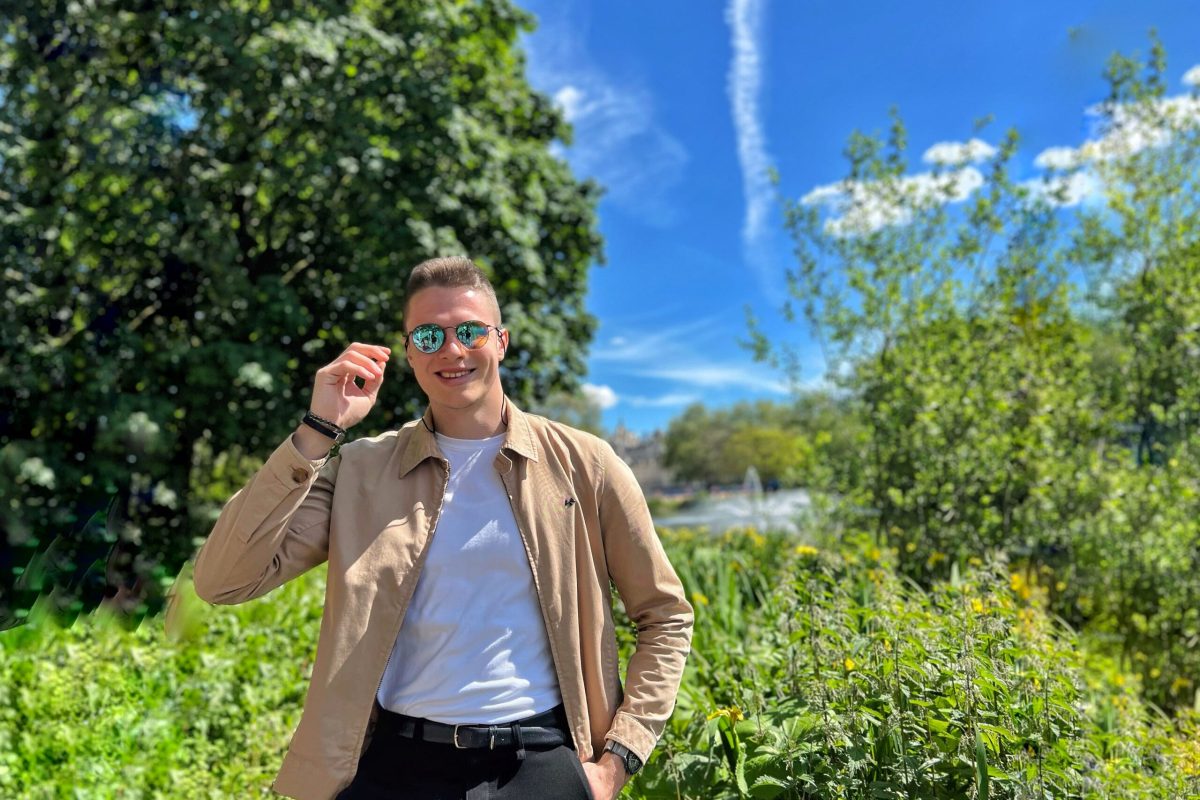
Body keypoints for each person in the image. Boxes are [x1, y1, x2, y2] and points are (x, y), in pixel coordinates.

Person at [181, 257, 694, 800]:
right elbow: (223, 581)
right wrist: (316, 431)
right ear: (408, 352)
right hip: (395, 767)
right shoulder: (361, 470)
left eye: (470, 331)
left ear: (501, 341)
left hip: (542, 765)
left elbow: (664, 615)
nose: (451, 349)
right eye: (428, 335)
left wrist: (617, 760)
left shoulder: (585, 464)